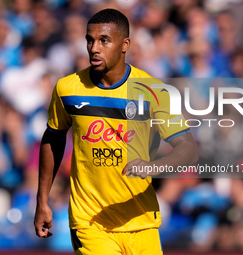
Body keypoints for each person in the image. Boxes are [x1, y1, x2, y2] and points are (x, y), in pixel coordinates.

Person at [34, 8, 198, 255]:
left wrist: (154, 166)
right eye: (90, 40)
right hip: (89, 222)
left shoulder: (154, 92)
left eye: (104, 40)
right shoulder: (67, 88)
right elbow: (53, 138)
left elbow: (188, 148)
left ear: (125, 44)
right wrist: (42, 200)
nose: (94, 48)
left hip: (141, 222)